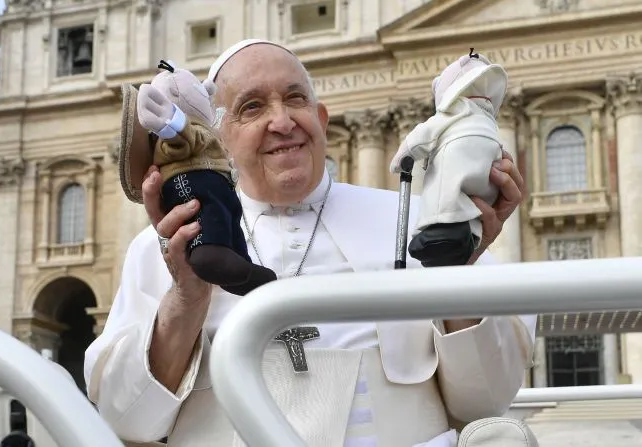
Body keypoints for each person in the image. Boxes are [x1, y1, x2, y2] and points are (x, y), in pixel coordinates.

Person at [84, 39, 537, 447]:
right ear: (215, 137)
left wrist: (458, 275)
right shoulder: (166, 243)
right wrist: (188, 294)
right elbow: (131, 419)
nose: (282, 122)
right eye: (253, 107)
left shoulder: (419, 221)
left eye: (295, 99)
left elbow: (485, 398)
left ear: (321, 120)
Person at [390, 48, 508, 268]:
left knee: (444, 196)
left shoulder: (455, 109)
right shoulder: (486, 118)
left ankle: (436, 233)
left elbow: (422, 135)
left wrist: (403, 156)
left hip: (458, 170)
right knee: (472, 207)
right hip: (487, 173)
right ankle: (470, 235)